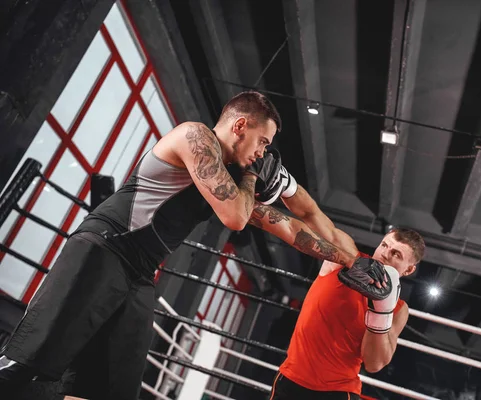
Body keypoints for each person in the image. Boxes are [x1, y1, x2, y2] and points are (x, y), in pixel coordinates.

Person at [0, 91, 388, 400]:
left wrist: (353, 262)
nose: (263, 153)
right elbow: (236, 217)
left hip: (138, 276)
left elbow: (290, 230)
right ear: (240, 125)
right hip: (105, 248)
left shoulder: (231, 184)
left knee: (103, 390)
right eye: (263, 142)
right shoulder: (194, 137)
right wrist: (253, 176)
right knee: (28, 362)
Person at [246, 187, 426, 399]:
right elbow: (311, 214)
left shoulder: (399, 309)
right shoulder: (346, 257)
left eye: (396, 254)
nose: (384, 255)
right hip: (292, 378)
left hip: (338, 391)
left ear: (409, 269)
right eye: (384, 245)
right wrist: (287, 186)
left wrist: (380, 310)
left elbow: (375, 363)